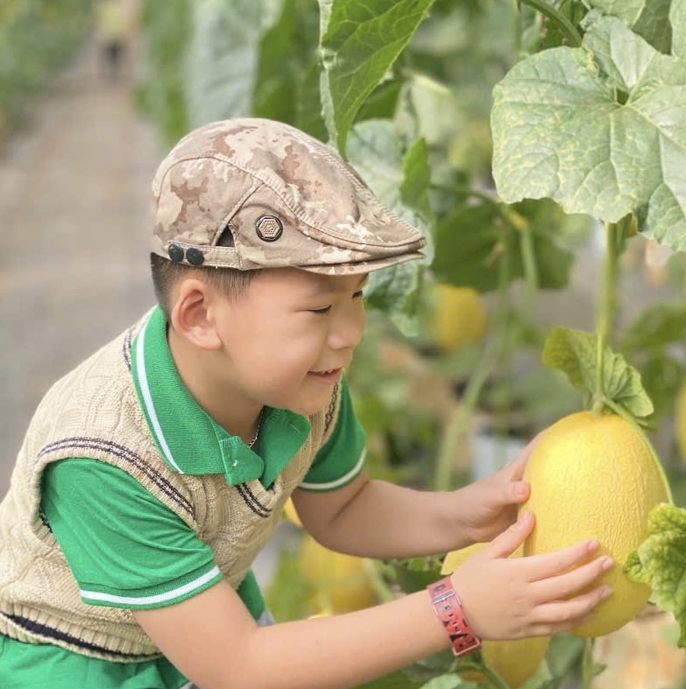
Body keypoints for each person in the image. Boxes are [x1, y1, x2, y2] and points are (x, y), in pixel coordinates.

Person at [0, 117, 614, 689]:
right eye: (319, 308)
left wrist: (466, 515)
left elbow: (342, 509)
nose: (349, 333)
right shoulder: (102, 461)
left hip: (206, 623)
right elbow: (240, 666)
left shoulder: (300, 384)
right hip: (76, 664)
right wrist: (457, 611)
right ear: (200, 315)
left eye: (357, 297)